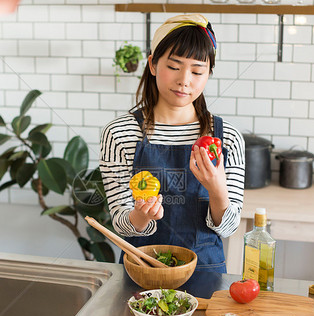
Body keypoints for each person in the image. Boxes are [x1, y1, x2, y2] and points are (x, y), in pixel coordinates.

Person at [99, 14, 245, 273]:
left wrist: (217, 189)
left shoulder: (226, 138)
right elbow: (120, 224)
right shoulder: (120, 133)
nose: (185, 80)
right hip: (142, 273)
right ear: (153, 64)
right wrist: (141, 216)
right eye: (174, 66)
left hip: (205, 272)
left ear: (208, 73)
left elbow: (230, 227)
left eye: (197, 70)